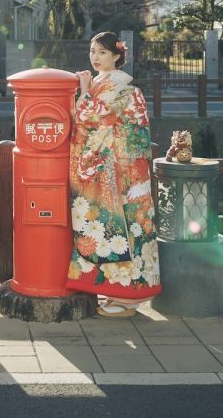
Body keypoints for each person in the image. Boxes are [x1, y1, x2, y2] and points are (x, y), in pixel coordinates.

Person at [66, 31, 161, 317]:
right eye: (93, 51)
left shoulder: (120, 84)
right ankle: (115, 290)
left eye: (102, 53)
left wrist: (83, 90)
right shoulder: (101, 82)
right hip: (112, 164)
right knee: (111, 226)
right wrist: (85, 88)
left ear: (117, 56)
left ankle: (131, 298)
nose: (95, 58)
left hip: (124, 167)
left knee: (130, 225)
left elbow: (92, 117)